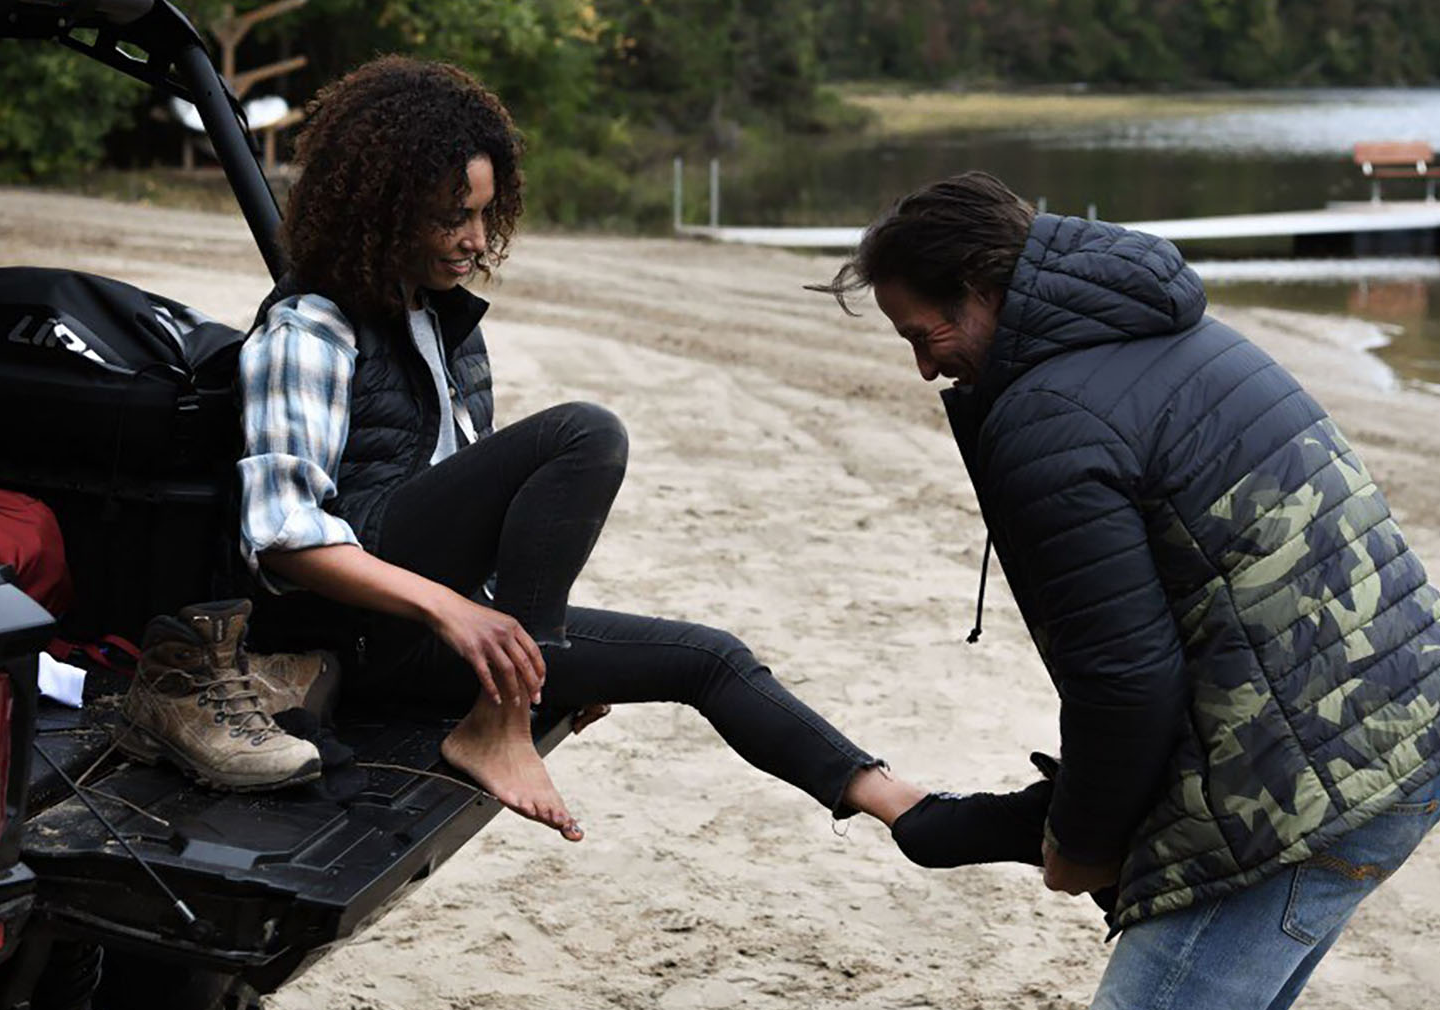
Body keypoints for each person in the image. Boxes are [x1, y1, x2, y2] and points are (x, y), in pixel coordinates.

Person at [810, 171, 1440, 1010]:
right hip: (1402, 736)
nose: (927, 371)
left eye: (926, 337)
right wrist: (1039, 828)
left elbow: (1125, 684)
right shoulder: (1159, 330)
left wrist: (1082, 845)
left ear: (986, 289)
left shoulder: (1047, 414)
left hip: (1314, 785)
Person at [219, 53, 951, 847]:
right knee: (585, 433)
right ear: (380, 211)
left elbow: (473, 523)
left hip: (437, 633)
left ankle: (908, 810)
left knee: (707, 658)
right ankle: (504, 723)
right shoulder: (307, 329)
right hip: (359, 636)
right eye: (447, 218)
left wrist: (543, 648)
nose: (472, 240)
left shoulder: (438, 320)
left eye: (482, 214)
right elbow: (283, 535)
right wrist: (460, 614)